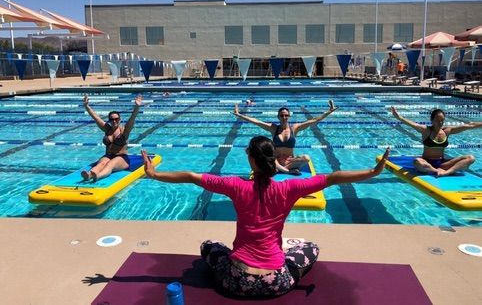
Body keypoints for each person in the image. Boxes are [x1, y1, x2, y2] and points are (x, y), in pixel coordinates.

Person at [142, 136, 390, 298]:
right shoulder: (289, 188)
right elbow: (334, 177)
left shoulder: (235, 185)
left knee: (208, 246)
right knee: (311, 248)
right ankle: (286, 260)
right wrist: (373, 170)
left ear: (251, 158)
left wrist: (154, 174)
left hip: (235, 280)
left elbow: (191, 176)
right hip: (276, 282)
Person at [233, 102, 337, 173]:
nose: (284, 118)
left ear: (289, 116)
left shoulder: (294, 128)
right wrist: (239, 115)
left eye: (286, 115)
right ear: (278, 117)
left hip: (289, 161)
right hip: (276, 161)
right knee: (267, 157)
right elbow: (256, 121)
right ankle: (287, 171)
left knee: (306, 158)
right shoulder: (273, 128)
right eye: (282, 115)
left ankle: (282, 170)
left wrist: (329, 111)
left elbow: (313, 120)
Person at [391, 107, 480, 176]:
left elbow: (469, 125)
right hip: (427, 162)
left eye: (442, 120)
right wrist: (399, 117)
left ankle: (447, 172)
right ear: (432, 120)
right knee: (417, 161)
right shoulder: (426, 130)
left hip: (442, 163)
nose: (440, 123)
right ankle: (436, 171)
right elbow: (411, 124)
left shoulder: (447, 131)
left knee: (470, 158)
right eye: (437, 120)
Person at [81, 94, 142, 181]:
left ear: (119, 120)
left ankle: (97, 176)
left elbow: (132, 118)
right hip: (108, 155)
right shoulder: (107, 128)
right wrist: (87, 106)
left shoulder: (124, 130)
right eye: (111, 119)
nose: (114, 121)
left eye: (116, 119)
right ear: (109, 120)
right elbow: (96, 117)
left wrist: (137, 107)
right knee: (101, 163)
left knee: (110, 164)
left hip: (122, 158)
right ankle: (89, 174)